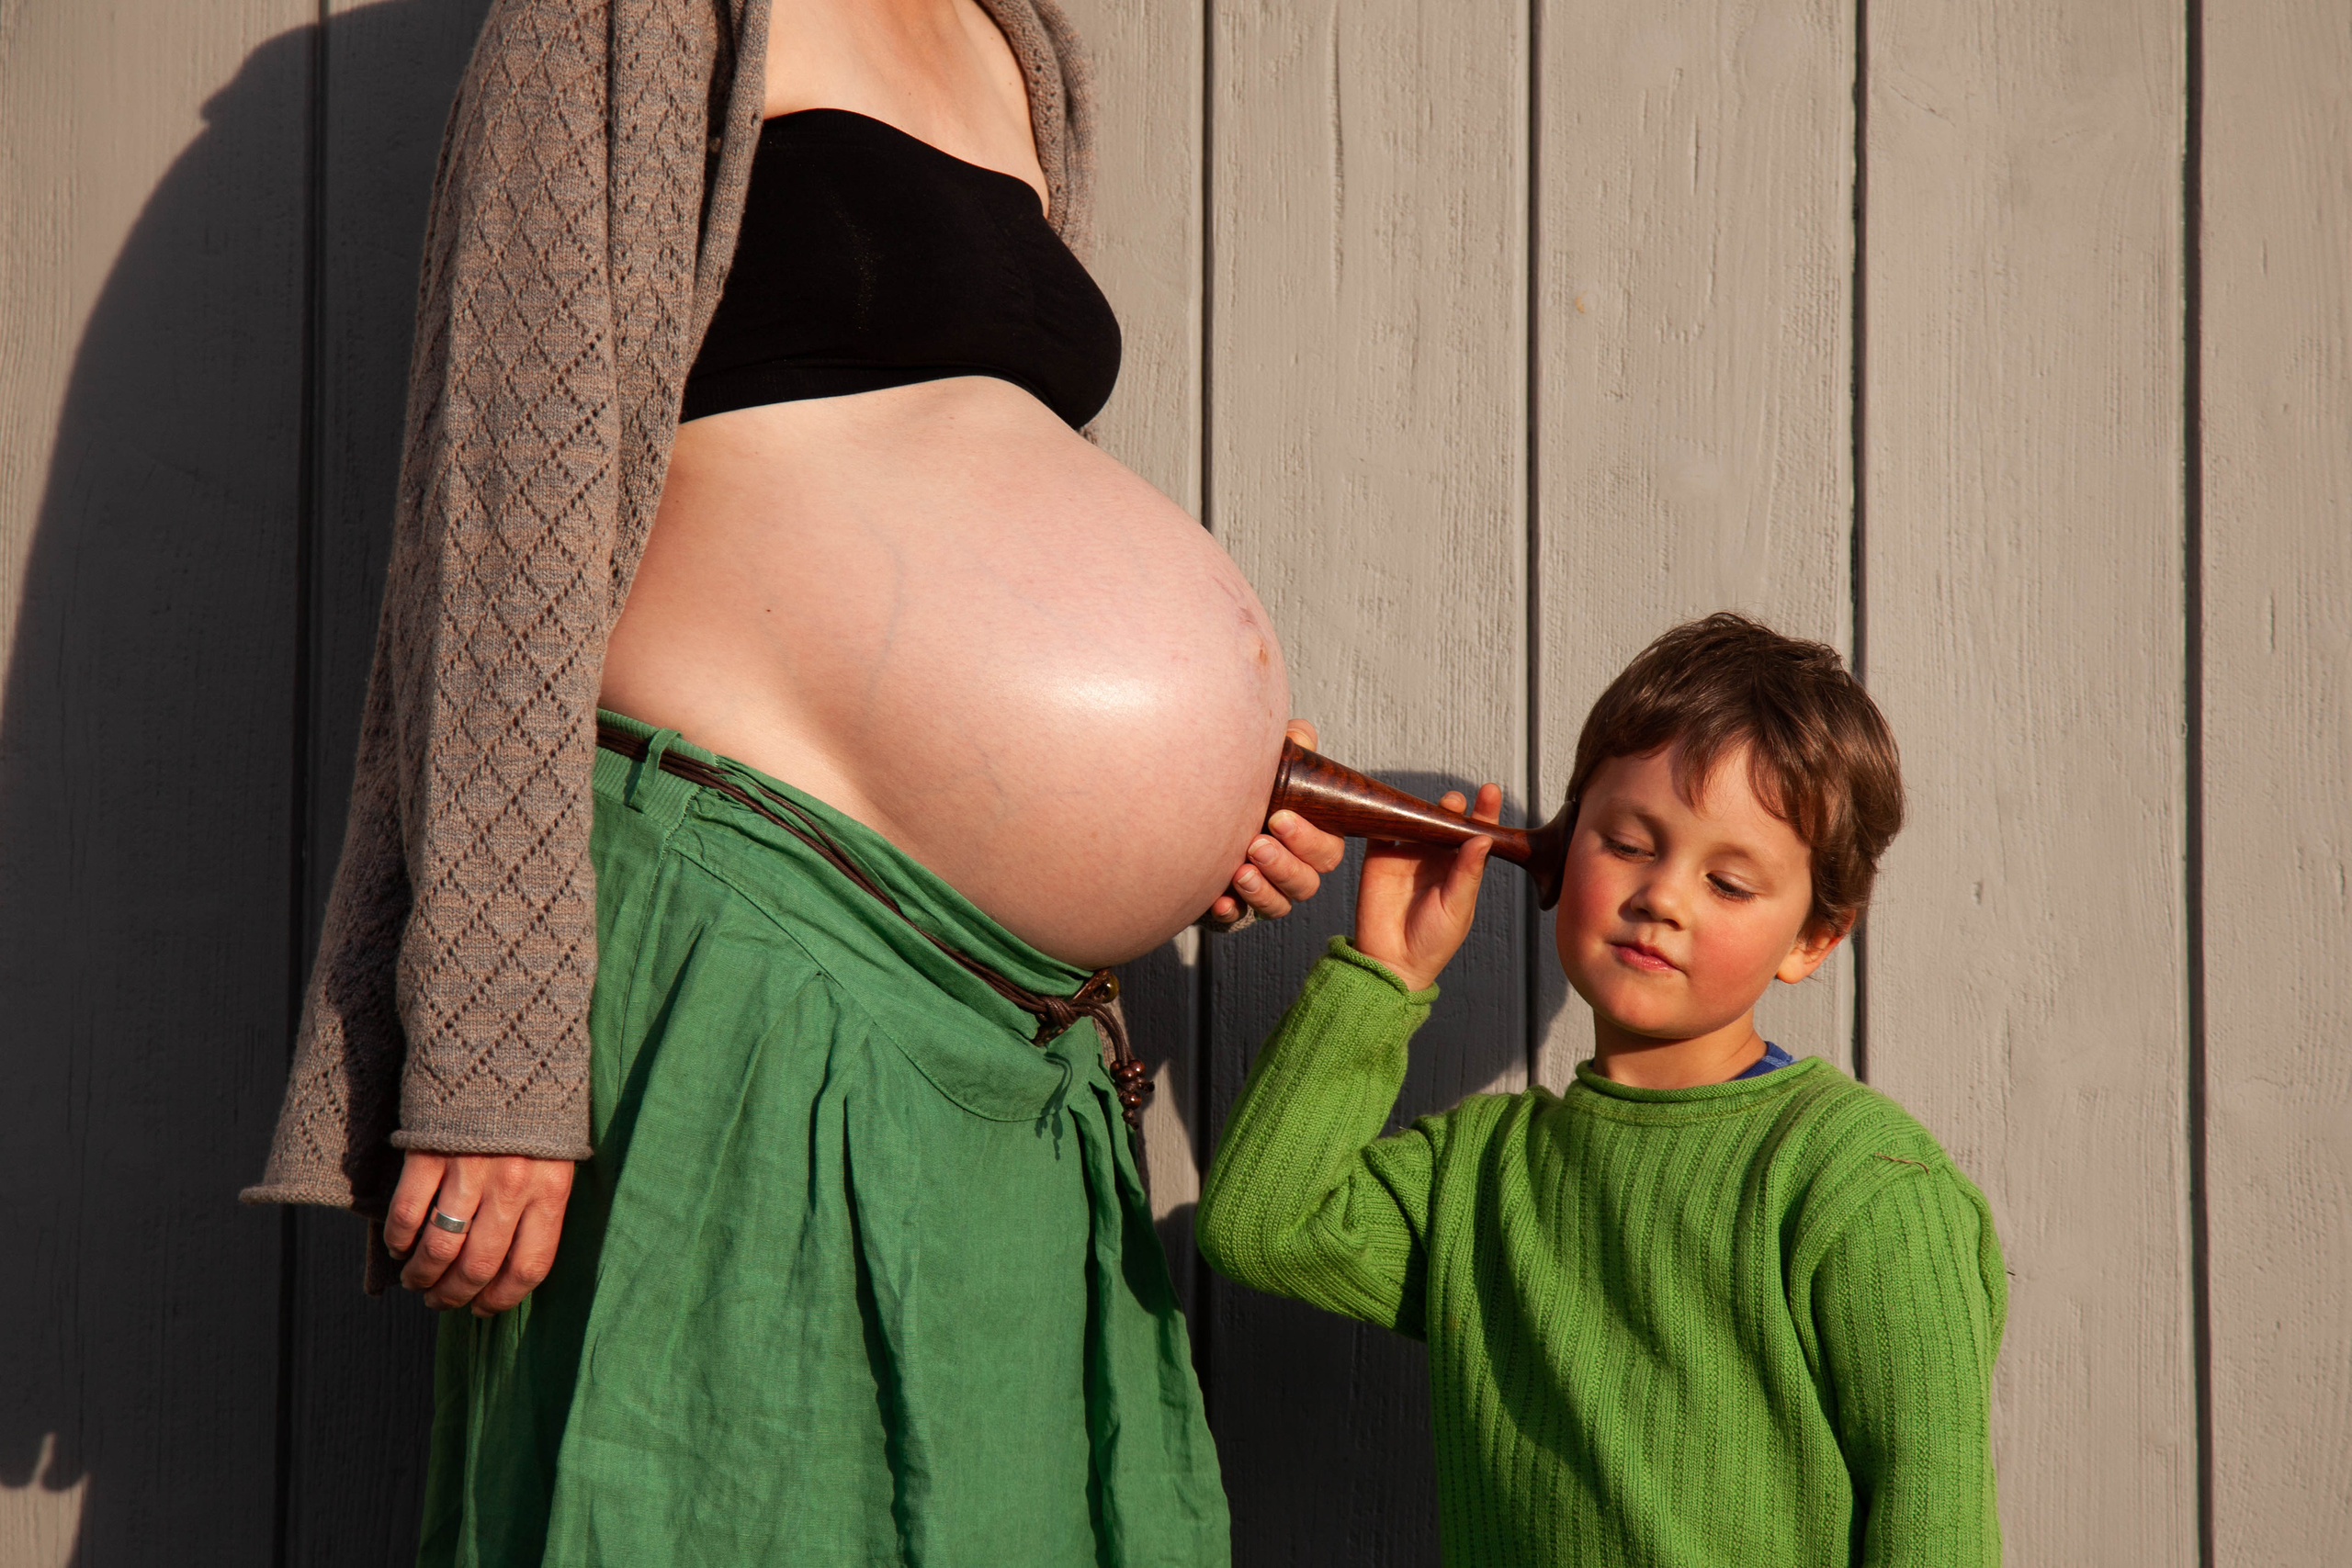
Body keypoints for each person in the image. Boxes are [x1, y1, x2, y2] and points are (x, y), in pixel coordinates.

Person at [243, 0, 1342, 1561]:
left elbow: (977, 484)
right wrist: (494, 1055)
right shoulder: (630, 14)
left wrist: (1176, 805)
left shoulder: (1020, 40)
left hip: (1008, 1034)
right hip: (746, 955)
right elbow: (504, 509)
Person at [1195, 613, 2007, 1565]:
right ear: (1558, 847)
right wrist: (1384, 974)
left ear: (1813, 940)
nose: (1662, 896)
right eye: (1626, 842)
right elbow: (1260, 1225)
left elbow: (1933, 1528)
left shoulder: (1866, 1186)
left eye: (1730, 884)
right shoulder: (1479, 1176)